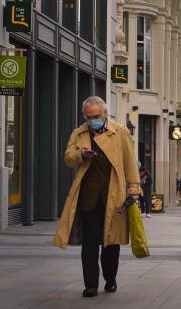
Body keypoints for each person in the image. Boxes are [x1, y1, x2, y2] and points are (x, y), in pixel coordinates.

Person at [53, 96, 141, 298]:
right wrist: (81, 155)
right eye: (89, 116)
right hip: (88, 197)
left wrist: (134, 189)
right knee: (90, 243)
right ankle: (90, 285)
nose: (93, 119)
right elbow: (67, 157)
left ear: (105, 114)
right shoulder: (79, 132)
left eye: (96, 116)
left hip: (114, 195)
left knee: (111, 243)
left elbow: (130, 162)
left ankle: (110, 280)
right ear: (85, 116)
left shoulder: (120, 131)